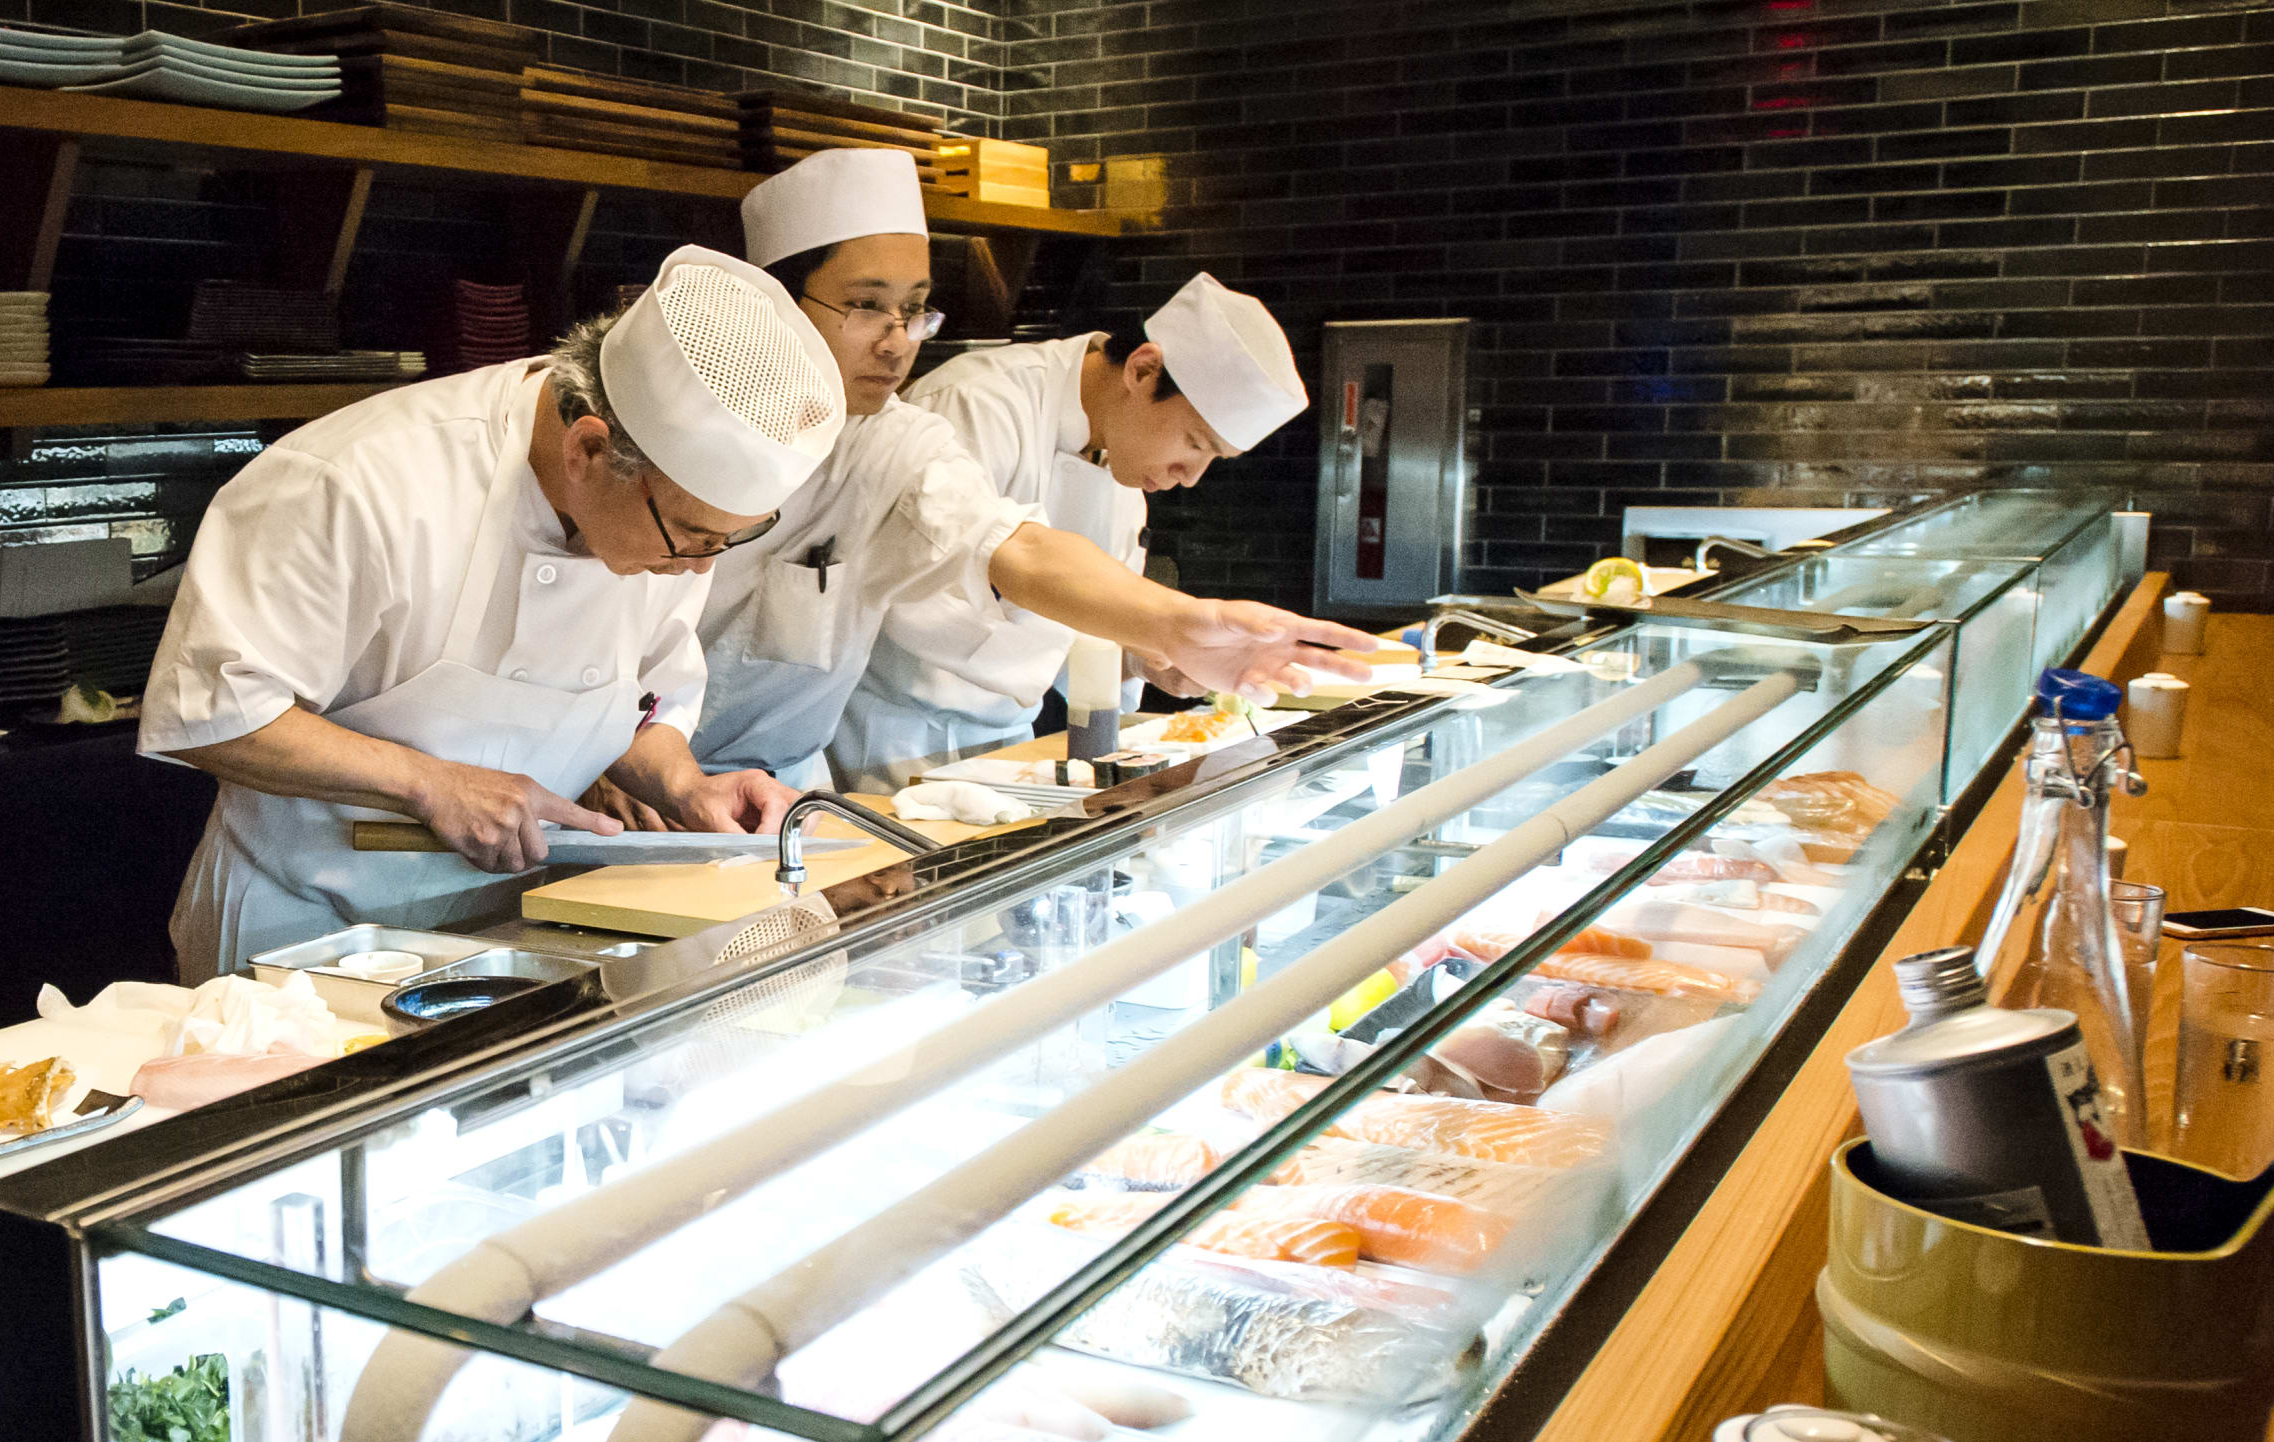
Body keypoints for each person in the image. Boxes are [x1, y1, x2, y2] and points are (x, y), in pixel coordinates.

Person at [141, 246, 845, 981]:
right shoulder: (357, 482)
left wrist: (685, 786)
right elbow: (214, 714)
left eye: (730, 540)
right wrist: (429, 783)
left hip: (520, 924)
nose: (701, 567)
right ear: (588, 448)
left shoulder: (666, 507)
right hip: (300, 929)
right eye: (694, 539)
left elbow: (631, 698)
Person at [674, 152, 1384, 798]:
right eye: (866, 305)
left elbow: (1012, 546)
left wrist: (1169, 631)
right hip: (730, 770)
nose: (897, 343)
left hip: (781, 789)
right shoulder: (667, 420)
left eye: (916, 309)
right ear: (770, 301)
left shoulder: (894, 439)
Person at [834, 267, 1321, 780]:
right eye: (1195, 443)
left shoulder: (1125, 455)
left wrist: (1146, 657)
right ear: (1142, 370)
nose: (1191, 477)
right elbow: (940, 598)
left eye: (1214, 459)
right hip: (887, 740)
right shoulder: (977, 402)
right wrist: (1168, 625)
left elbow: (1087, 632)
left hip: (1010, 749)